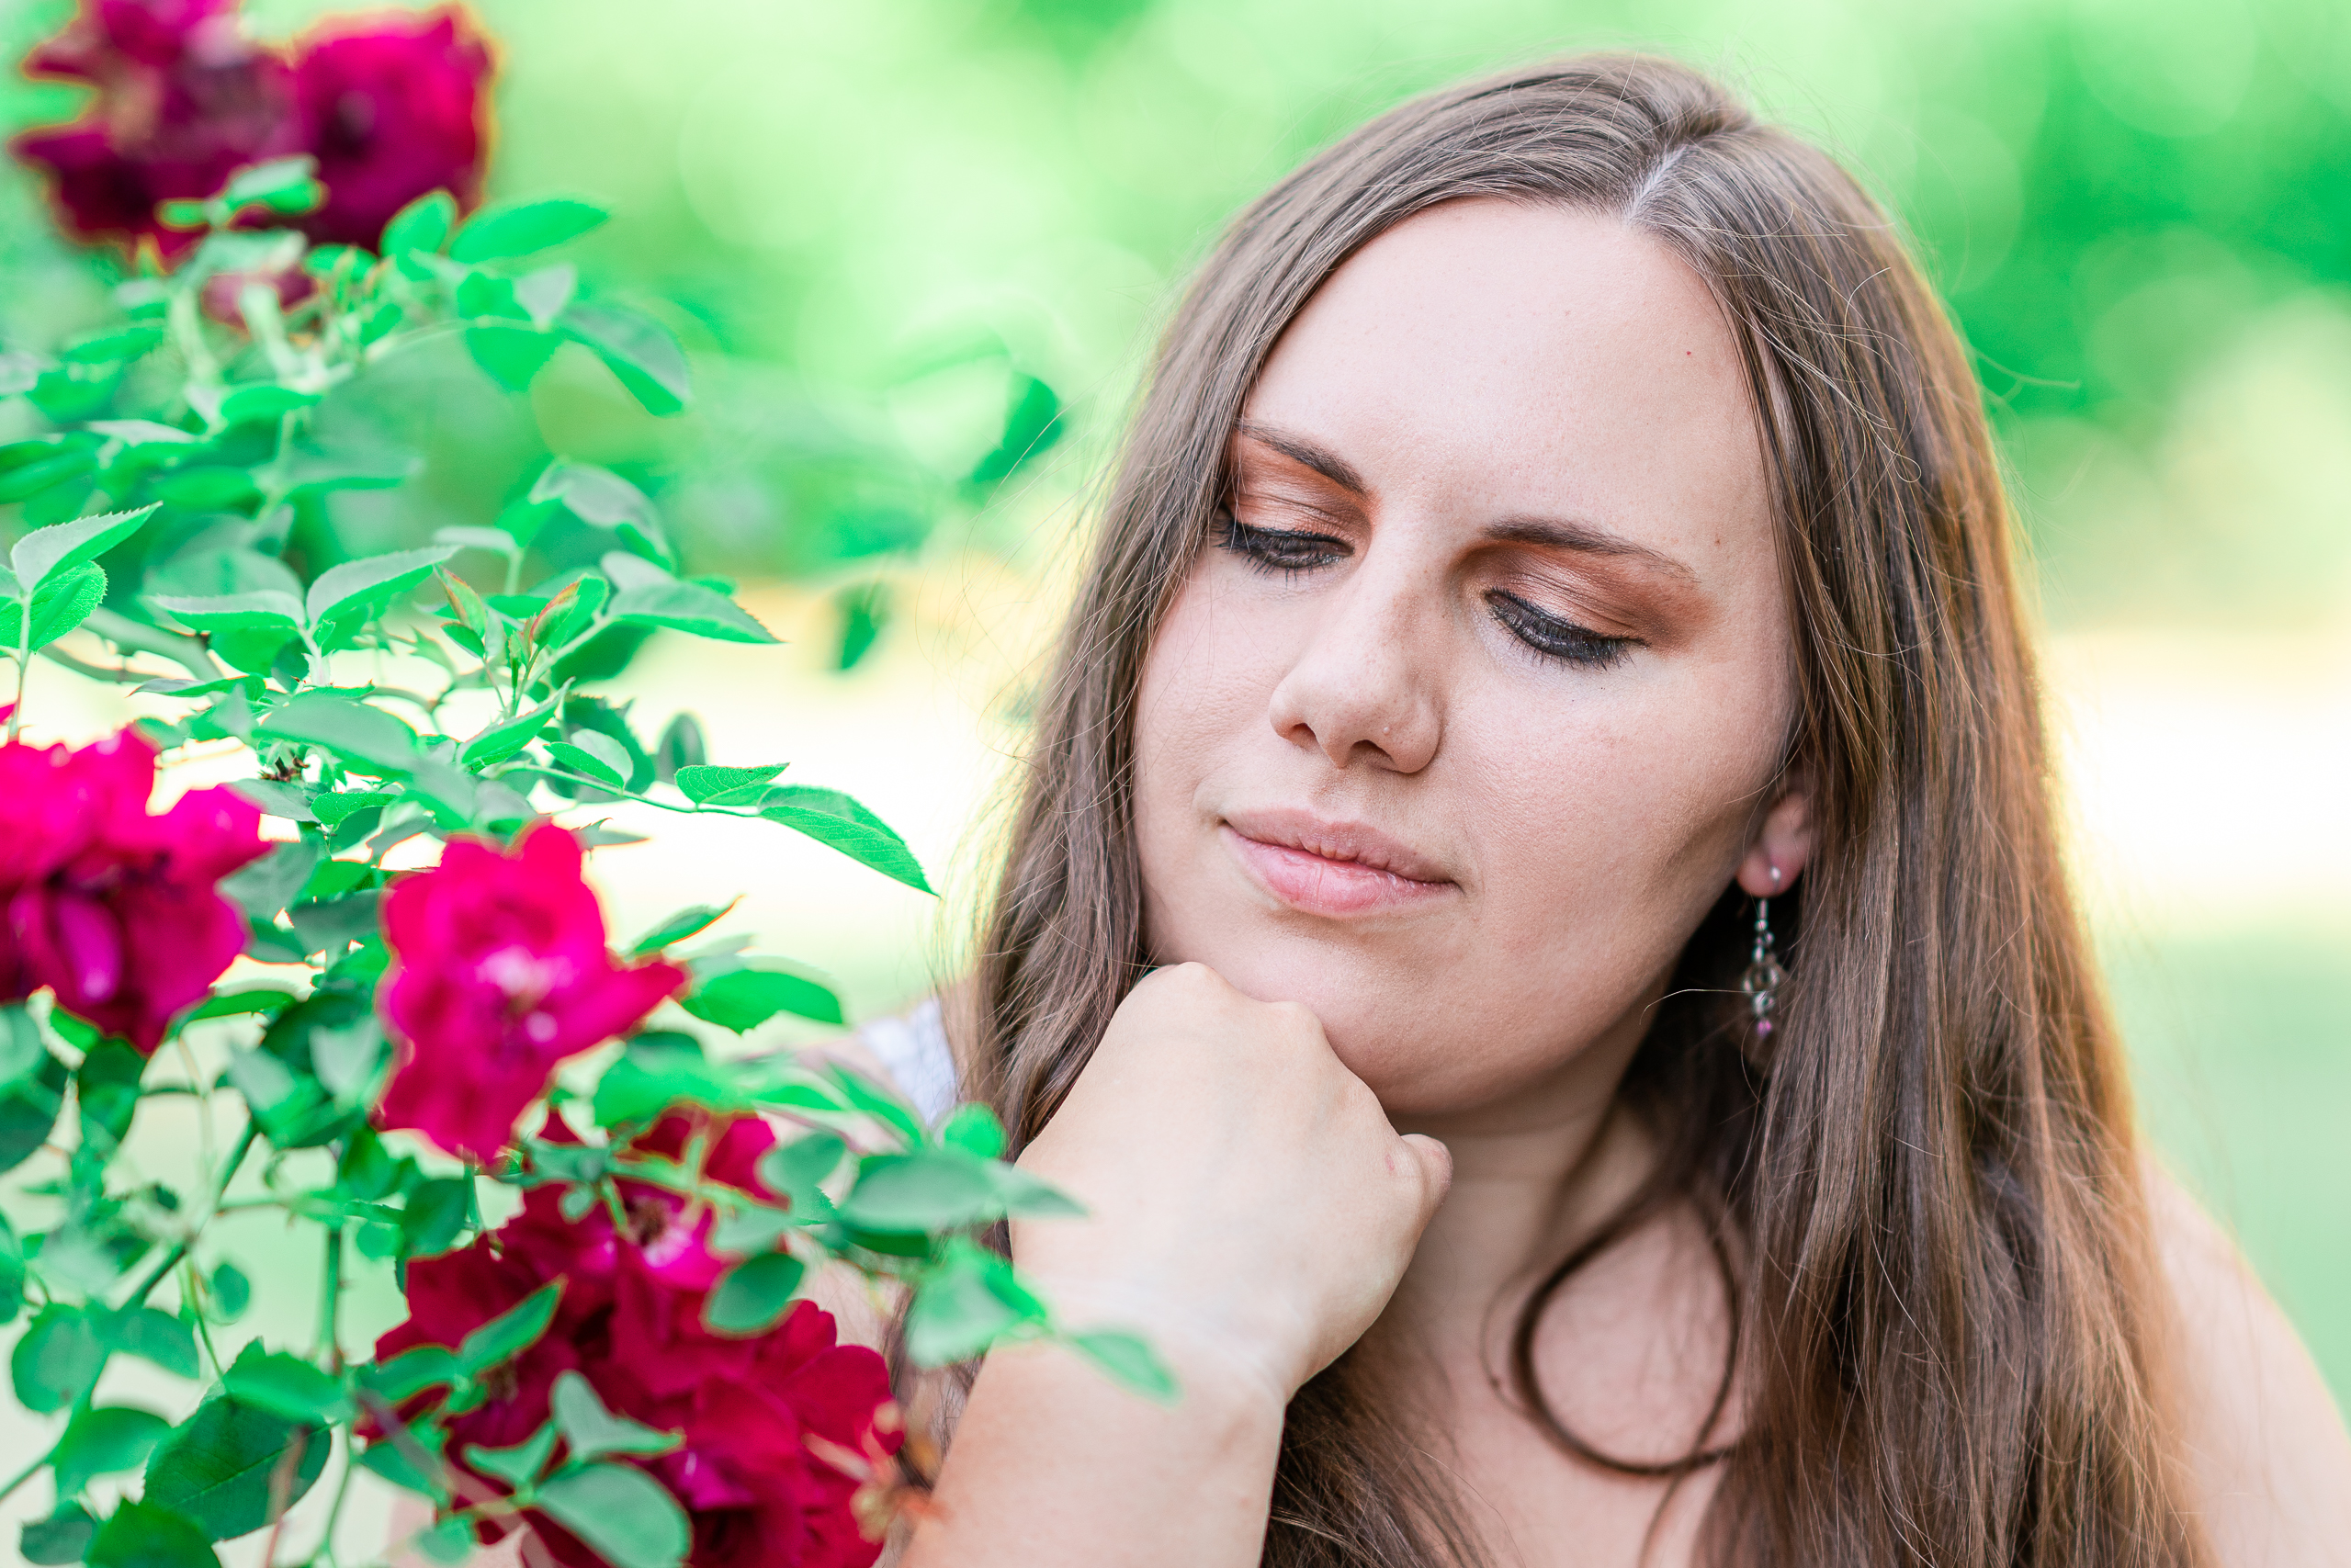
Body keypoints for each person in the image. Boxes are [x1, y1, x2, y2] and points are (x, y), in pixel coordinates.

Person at [839, 53, 2351, 1568]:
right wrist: (1140, 1377)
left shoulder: (2062, 1310)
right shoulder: (762, 1228)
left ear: (1797, 790)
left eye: (1556, 618)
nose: (1351, 685)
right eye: (1280, 532)